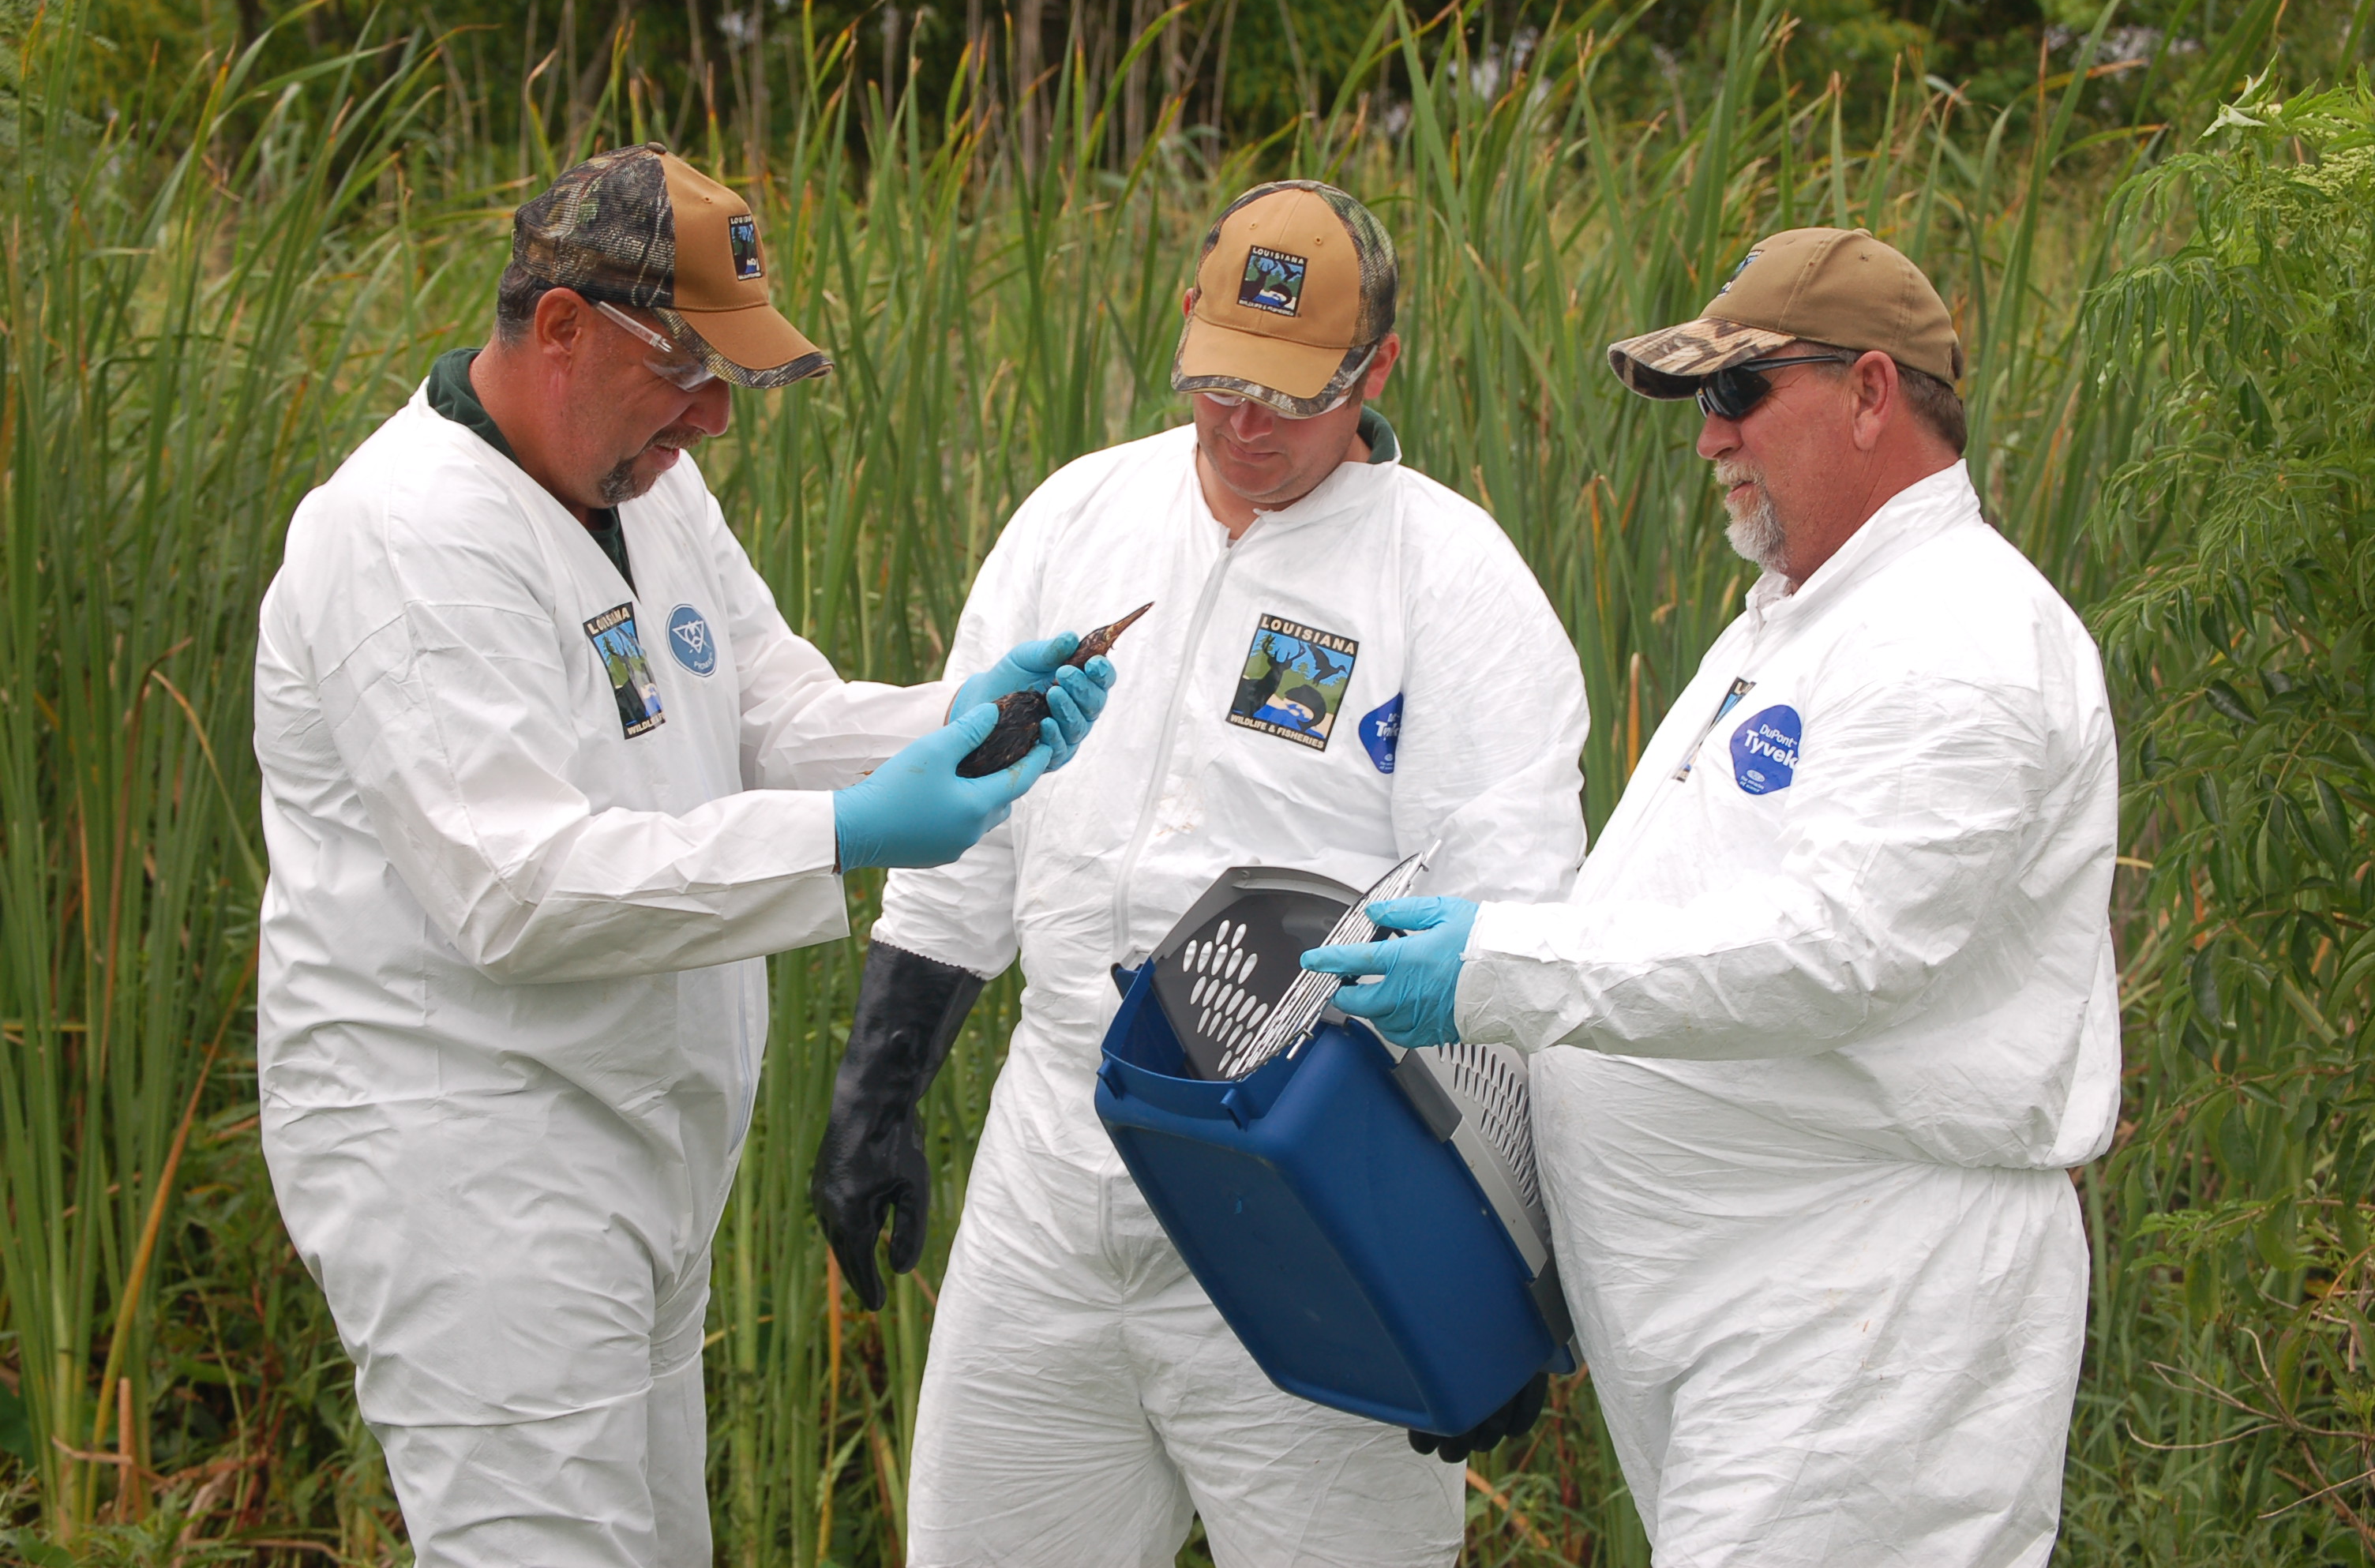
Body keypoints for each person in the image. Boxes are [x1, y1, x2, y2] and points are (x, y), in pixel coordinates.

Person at [253, 143, 1116, 1568]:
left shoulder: (643, 483)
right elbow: (514, 892)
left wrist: (957, 718)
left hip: (639, 1157)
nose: (714, 418)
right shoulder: (402, 537)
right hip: (472, 1164)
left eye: (736, 381)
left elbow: (767, 704)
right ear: (562, 328)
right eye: (688, 373)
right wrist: (851, 834)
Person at [1304, 227, 2120, 1567]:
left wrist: (1502, 969)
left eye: (1738, 394)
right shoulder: (1803, 613)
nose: (1708, 438)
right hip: (1741, 1311)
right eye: (1700, 402)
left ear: (1870, 394)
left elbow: (1842, 951)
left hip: (1864, 1315)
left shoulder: (1959, 642)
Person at [809, 182, 1593, 1566]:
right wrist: (878, 1090)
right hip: (1055, 1147)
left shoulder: (1452, 580)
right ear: (1186, 329)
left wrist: (1514, 1276)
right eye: (1223, 381)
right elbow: (965, 827)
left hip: (1316, 1171)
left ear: (1379, 371)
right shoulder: (1078, 515)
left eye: (1294, 395)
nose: (1247, 424)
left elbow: (1519, 936)